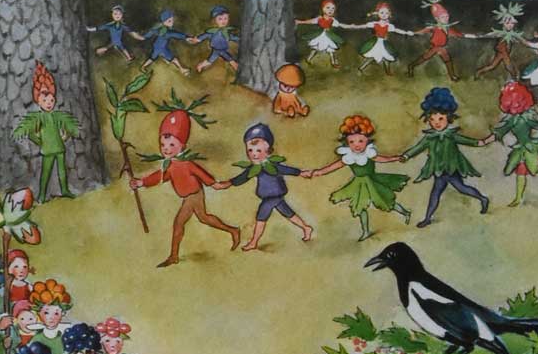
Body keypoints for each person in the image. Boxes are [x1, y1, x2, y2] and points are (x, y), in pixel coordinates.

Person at [131, 106, 242, 267]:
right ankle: (233, 231)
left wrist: (218, 184)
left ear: (182, 146)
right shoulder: (170, 165)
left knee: (180, 222)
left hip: (194, 195)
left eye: (171, 145)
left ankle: (174, 256)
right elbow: (160, 176)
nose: (166, 149)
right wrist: (141, 182)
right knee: (204, 218)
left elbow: (203, 176)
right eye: (163, 145)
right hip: (188, 197)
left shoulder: (187, 164)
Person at [308, 113, 413, 239]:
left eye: (361, 141)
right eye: (352, 142)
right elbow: (334, 166)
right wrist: (320, 171)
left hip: (373, 181)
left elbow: (382, 159)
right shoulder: (348, 156)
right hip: (358, 184)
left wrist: (395, 158)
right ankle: (366, 231)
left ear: (367, 140)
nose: (356, 145)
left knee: (385, 201)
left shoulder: (369, 153)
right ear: (347, 143)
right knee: (360, 206)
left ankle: (405, 212)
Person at [399, 88, 490, 226]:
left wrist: (483, 142)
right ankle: (428, 218)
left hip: (451, 169)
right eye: (432, 119)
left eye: (441, 118)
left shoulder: (451, 135)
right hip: (438, 171)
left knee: (461, 188)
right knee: (435, 194)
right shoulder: (429, 137)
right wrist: (406, 155)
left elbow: (468, 141)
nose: (436, 122)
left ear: (449, 118)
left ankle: (482, 198)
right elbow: (418, 147)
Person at [220, 122, 314, 251]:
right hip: (272, 195)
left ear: (268, 151)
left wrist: (301, 173)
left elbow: (285, 169)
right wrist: (229, 183)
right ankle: (306, 228)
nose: (254, 154)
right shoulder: (254, 168)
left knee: (261, 217)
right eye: (250, 150)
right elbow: (243, 177)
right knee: (288, 213)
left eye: (259, 150)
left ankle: (254, 242)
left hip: (273, 195)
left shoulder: (271, 165)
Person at [481, 79, 538, 205]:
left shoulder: (527, 117)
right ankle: (518, 198)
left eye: (517, 103)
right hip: (520, 148)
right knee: (521, 172)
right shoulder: (511, 120)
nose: (515, 107)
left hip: (530, 147)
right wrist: (485, 141)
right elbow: (500, 132)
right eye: (512, 104)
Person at [13, 63, 80, 200]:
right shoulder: (39, 117)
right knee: (46, 172)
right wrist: (41, 142)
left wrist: (64, 137)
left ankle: (65, 189)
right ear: (38, 101)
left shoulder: (56, 116)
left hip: (59, 147)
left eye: (51, 100)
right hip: (47, 149)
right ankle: (42, 194)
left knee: (62, 171)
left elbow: (66, 128)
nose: (49, 103)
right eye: (45, 100)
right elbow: (31, 134)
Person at [409, 0, 461, 77]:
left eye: (447, 16)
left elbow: (458, 34)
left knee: (447, 59)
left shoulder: (448, 28)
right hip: (435, 47)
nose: (446, 18)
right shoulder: (434, 27)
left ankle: (452, 76)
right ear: (437, 19)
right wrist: (413, 33)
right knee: (424, 58)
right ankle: (411, 66)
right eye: (443, 17)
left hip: (442, 48)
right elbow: (423, 31)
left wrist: (470, 36)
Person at [192, 5, 239, 75]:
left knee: (211, 60)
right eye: (220, 19)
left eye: (225, 18)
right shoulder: (212, 31)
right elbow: (205, 35)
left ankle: (200, 65)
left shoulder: (226, 31)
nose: (223, 21)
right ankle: (236, 67)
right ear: (214, 20)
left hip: (222, 49)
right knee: (229, 59)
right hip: (217, 50)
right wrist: (198, 39)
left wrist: (239, 39)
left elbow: (232, 37)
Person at [301, 0, 342, 67]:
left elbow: (340, 25)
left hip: (328, 35)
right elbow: (310, 21)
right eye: (328, 8)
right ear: (323, 9)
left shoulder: (332, 20)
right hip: (320, 35)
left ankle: (333, 62)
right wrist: (300, 22)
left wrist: (352, 26)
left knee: (331, 49)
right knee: (315, 48)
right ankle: (308, 59)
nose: (330, 10)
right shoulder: (319, 18)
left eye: (333, 8)